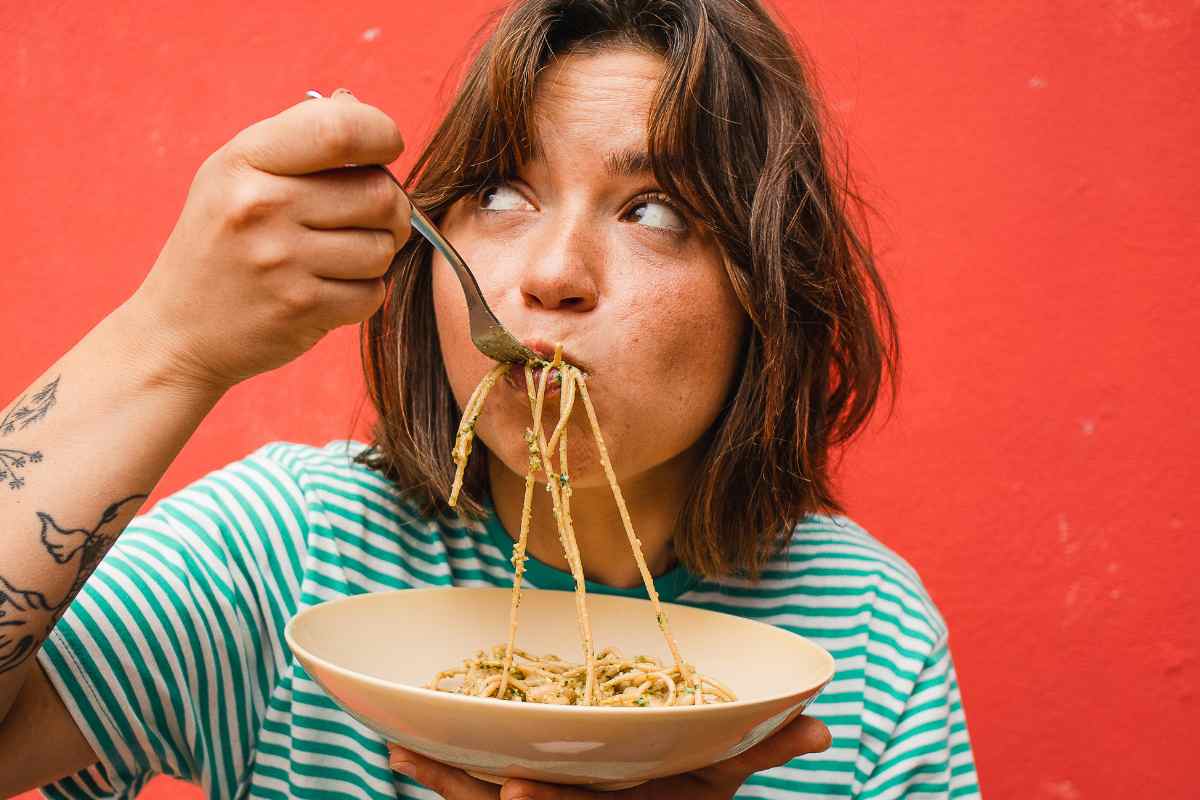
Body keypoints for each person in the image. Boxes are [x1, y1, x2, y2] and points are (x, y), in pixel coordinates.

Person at [0, 1, 980, 798]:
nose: (552, 272)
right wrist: (164, 342)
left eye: (655, 210)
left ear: (767, 294)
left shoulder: (866, 633)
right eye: (505, 193)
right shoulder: (288, 549)